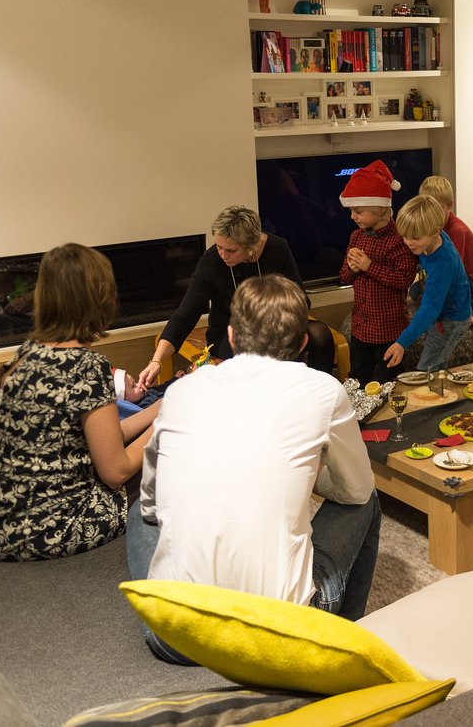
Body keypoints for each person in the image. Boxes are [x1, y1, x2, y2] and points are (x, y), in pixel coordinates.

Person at [127, 275, 379, 664]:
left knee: (139, 513)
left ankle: (171, 601)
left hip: (178, 638)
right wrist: (310, 477)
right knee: (369, 499)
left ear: (230, 334)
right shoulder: (324, 390)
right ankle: (338, 646)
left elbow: (151, 504)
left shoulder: (182, 391)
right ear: (303, 342)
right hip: (282, 634)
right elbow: (357, 491)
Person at [0, 243, 160, 562]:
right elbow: (115, 470)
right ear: (99, 299)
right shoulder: (85, 366)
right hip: (42, 530)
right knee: (165, 469)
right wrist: (169, 424)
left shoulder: (26, 353)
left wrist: (160, 409)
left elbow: (103, 435)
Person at [136, 205, 335, 388]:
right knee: (255, 360)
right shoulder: (212, 260)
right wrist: (157, 361)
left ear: (252, 245)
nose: (222, 254)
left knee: (320, 335)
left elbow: (301, 299)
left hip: (276, 325)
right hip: (229, 331)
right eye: (219, 246)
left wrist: (278, 324)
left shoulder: (278, 248)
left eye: (230, 250)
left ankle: (317, 392)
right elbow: (186, 314)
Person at [338, 160, 419, 384]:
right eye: (352, 210)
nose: (353, 216)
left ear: (379, 208)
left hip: (389, 330)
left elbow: (403, 280)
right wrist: (352, 269)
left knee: (388, 381)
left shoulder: (399, 241)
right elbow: (343, 277)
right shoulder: (356, 236)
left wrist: (369, 266)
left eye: (358, 211)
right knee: (358, 380)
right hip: (361, 327)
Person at [384, 194, 473, 372]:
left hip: (451, 319)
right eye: (404, 236)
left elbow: (430, 310)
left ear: (435, 232)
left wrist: (402, 342)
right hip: (444, 304)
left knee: (428, 369)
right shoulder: (430, 239)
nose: (408, 242)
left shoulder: (442, 263)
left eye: (415, 238)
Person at [418, 175, 473, 318]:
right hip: (452, 272)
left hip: (472, 279)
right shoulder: (432, 226)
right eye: (429, 209)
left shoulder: (456, 231)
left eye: (439, 208)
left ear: (450, 206)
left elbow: (452, 271)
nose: (434, 214)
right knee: (415, 291)